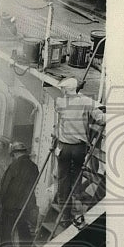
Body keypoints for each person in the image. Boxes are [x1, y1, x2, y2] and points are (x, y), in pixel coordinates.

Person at [53, 76, 105, 205]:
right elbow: (101, 119)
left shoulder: (59, 102)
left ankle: (61, 200)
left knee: (63, 175)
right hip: (79, 147)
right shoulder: (87, 101)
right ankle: (76, 195)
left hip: (64, 147)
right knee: (77, 172)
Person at [0, 141, 39, 247]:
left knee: (6, 230)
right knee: (23, 227)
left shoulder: (13, 166)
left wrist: (1, 201)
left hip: (11, 204)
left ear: (15, 153)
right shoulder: (34, 167)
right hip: (26, 204)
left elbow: (5, 186)